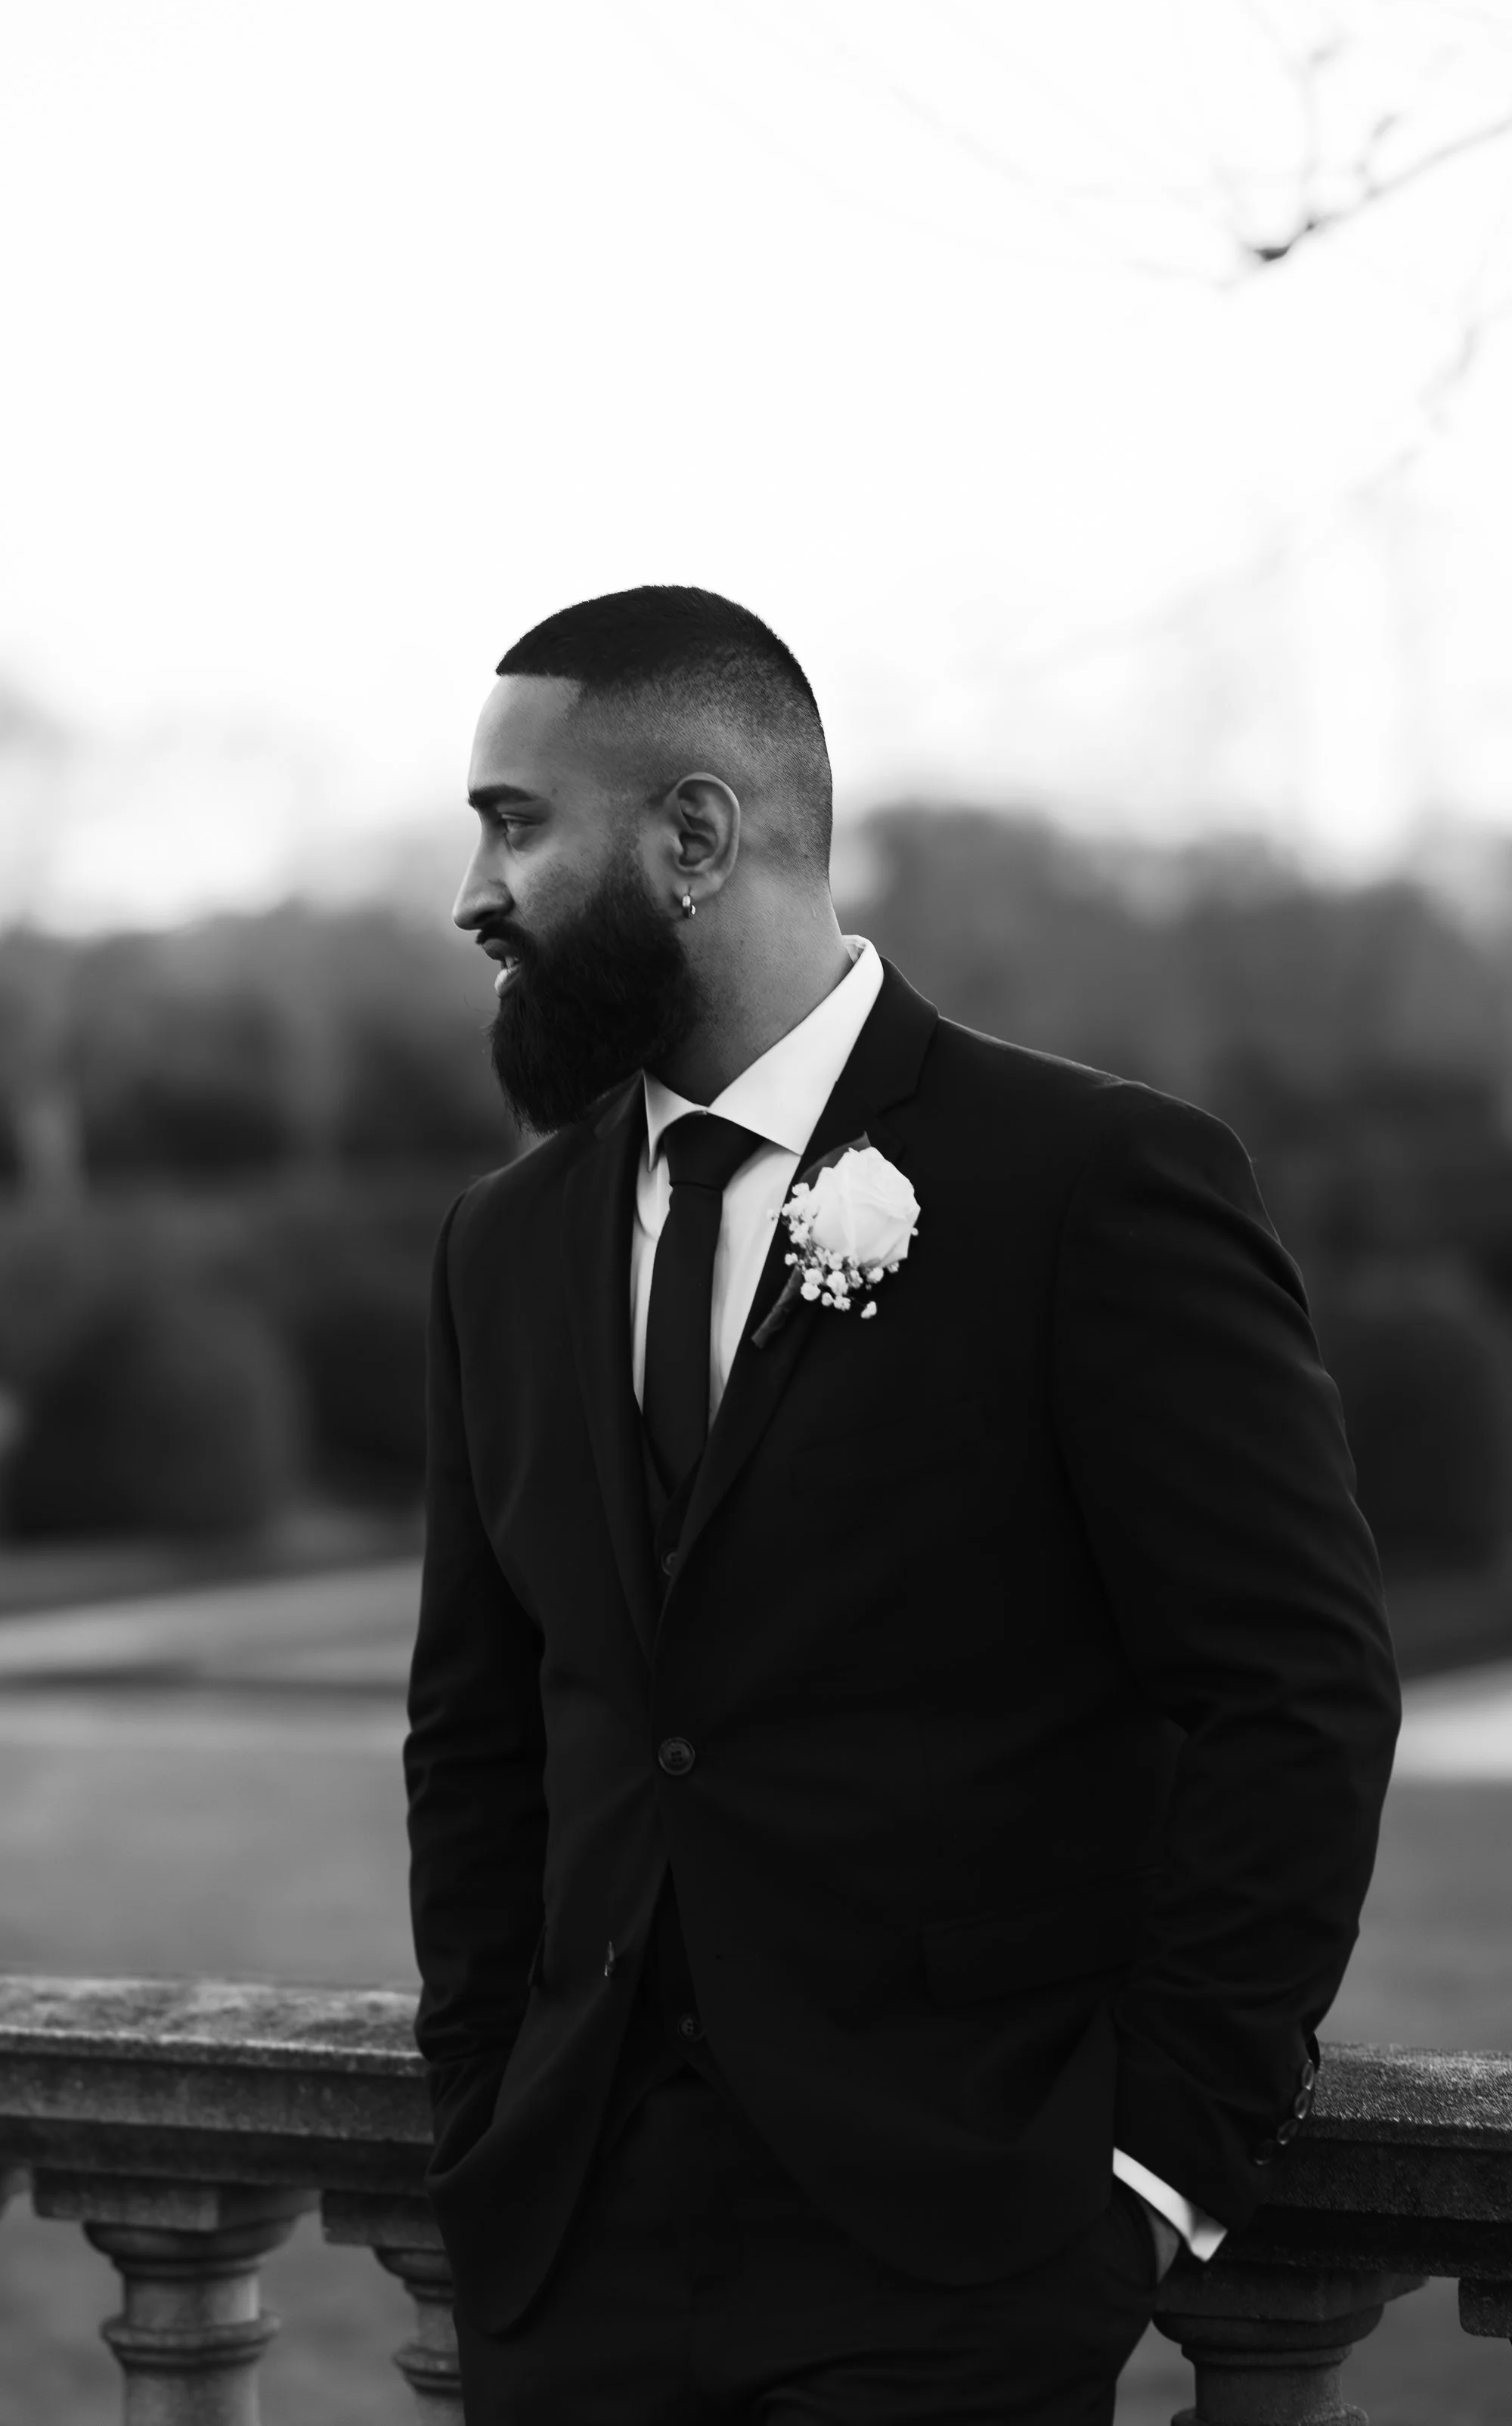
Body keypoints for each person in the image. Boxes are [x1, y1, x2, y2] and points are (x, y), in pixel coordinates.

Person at [404, 584, 1399, 2424]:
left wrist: (1148, 2171)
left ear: (696, 837)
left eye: (516, 824)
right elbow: (476, 1736)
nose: (476, 894)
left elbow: (1296, 1693)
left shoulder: (1092, 1188)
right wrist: (488, 2110)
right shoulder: (503, 1245)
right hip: (572, 2274)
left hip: (960, 2272)